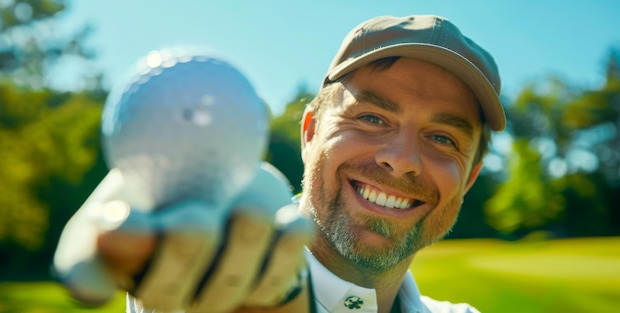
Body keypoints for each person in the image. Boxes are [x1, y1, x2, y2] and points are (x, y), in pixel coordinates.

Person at [55, 14, 505, 313]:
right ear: (309, 132)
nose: (402, 160)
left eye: (442, 138)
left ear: (469, 179)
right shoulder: (219, 283)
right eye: (371, 117)